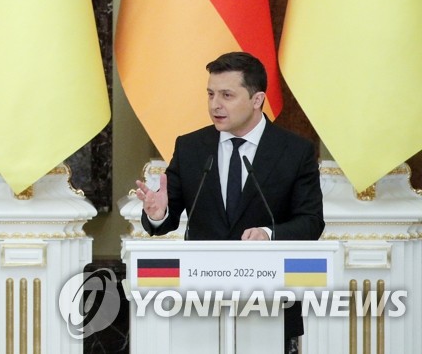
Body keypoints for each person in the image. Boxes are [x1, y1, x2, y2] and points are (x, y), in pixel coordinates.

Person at [135, 51, 324, 353]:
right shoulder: (191, 147)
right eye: (210, 94)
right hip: (199, 304)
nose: (214, 105)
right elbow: (164, 222)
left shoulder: (295, 150)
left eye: (226, 95)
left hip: (269, 302)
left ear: (257, 99)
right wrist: (159, 213)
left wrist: (269, 234)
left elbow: (311, 221)